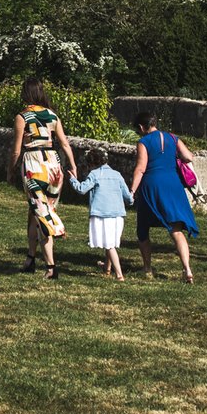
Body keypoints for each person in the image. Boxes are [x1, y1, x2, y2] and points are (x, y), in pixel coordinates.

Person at [9, 77, 76, 278]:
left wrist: (11, 169)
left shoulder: (22, 117)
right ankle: (30, 258)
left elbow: (16, 150)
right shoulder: (52, 115)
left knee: (42, 214)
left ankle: (51, 267)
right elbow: (64, 143)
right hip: (54, 165)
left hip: (34, 165)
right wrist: (73, 165)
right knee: (36, 211)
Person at [129, 111, 199, 282]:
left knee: (143, 228)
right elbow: (188, 156)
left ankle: (147, 268)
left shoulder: (143, 142)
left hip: (152, 184)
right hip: (173, 184)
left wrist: (132, 190)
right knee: (176, 229)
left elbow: (141, 168)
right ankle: (187, 269)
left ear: (141, 127)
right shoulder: (173, 138)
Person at [69, 147, 134, 280]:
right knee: (110, 242)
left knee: (109, 245)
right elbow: (128, 197)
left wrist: (72, 179)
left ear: (91, 163)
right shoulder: (117, 174)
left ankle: (119, 275)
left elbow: (81, 189)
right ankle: (107, 269)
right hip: (118, 214)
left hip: (102, 213)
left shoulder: (94, 174)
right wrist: (131, 199)